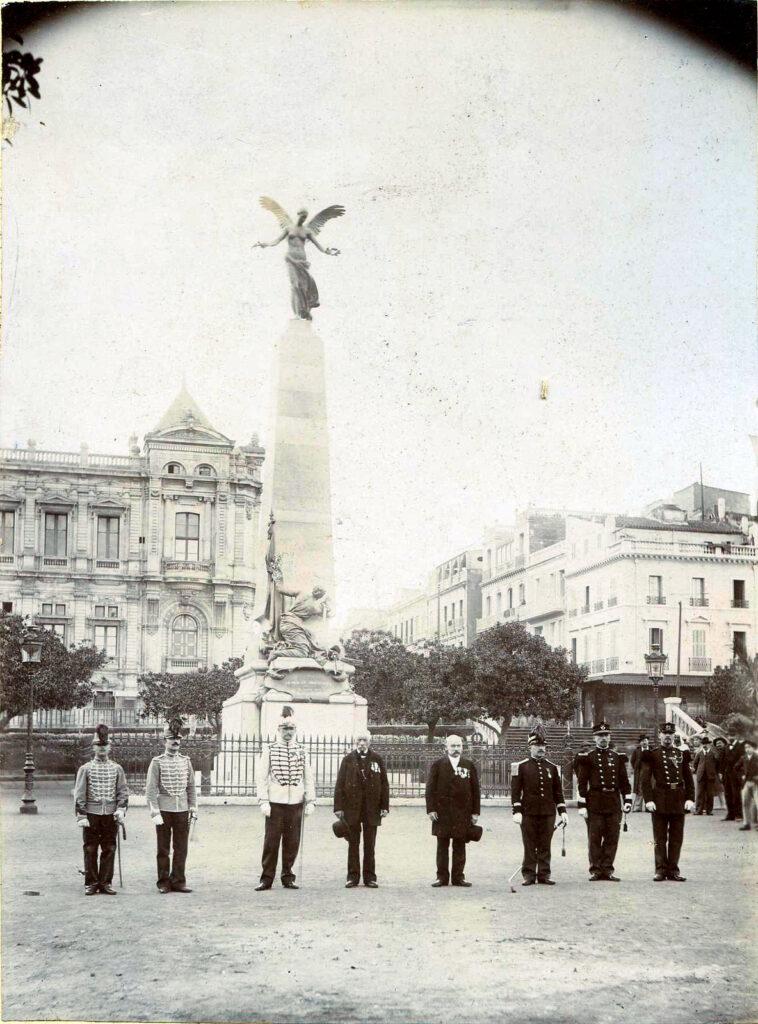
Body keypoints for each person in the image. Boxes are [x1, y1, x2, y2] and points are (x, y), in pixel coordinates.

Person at [255, 707, 315, 890]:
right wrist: (263, 801)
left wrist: (310, 800)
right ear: (279, 730)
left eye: (291, 729)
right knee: (271, 842)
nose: (288, 732)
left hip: (295, 803)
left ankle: (288, 876)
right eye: (285, 729)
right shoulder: (270, 749)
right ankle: (266, 878)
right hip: (275, 803)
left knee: (292, 842)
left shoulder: (302, 750)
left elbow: (308, 777)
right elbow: (262, 777)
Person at [74, 724, 129, 895]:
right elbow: (80, 794)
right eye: (99, 745)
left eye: (105, 745)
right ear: (93, 747)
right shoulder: (85, 769)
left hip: (110, 815)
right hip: (91, 815)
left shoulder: (117, 768)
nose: (102, 748)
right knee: (90, 848)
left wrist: (121, 809)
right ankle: (91, 882)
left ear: (110, 747)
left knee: (109, 848)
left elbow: (122, 791)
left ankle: (105, 882)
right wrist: (81, 815)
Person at [145, 717, 198, 894]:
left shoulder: (186, 761)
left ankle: (178, 881)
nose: (175, 742)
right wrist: (154, 812)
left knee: (181, 847)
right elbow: (151, 789)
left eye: (178, 739)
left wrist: (193, 807)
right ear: (165, 741)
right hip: (164, 810)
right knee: (163, 848)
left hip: (182, 809)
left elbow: (191, 786)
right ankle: (163, 882)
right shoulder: (157, 762)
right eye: (172, 738)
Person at [511, 727, 567, 886]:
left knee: (545, 844)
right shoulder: (521, 766)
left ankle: (544, 874)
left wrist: (562, 811)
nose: (541, 748)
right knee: (529, 844)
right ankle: (529, 875)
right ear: (530, 747)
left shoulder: (552, 767)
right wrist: (517, 811)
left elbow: (558, 792)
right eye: (537, 745)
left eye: (543, 745)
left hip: (548, 813)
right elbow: (515, 792)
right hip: (528, 812)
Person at [333, 730, 390, 888]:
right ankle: (352, 877)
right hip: (352, 808)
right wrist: (338, 807)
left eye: (365, 740)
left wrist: (384, 806)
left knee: (370, 845)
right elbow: (340, 784)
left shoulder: (377, 759)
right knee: (353, 843)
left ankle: (370, 877)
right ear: (355, 742)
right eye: (359, 740)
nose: (362, 743)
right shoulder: (347, 759)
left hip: (372, 808)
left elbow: (384, 783)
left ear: (369, 742)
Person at [576, 722, 632, 881]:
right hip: (595, 801)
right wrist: (582, 805)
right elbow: (582, 783)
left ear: (610, 737)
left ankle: (607, 869)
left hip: (613, 801)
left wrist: (627, 800)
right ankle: (595, 869)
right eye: (600, 735)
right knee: (595, 838)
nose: (603, 738)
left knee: (612, 837)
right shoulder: (588, 758)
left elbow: (624, 782)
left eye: (606, 735)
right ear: (594, 738)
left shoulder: (617, 757)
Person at [641, 722, 695, 881]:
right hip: (660, 798)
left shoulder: (681, 754)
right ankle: (660, 870)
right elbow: (645, 780)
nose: (668, 737)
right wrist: (648, 799)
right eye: (665, 734)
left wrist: (690, 798)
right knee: (659, 838)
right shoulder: (652, 754)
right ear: (660, 735)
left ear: (674, 736)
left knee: (676, 837)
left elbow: (688, 779)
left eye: (670, 734)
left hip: (678, 798)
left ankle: (673, 870)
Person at [425, 734, 481, 887]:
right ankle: (441, 877)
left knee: (460, 844)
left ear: (462, 747)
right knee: (442, 845)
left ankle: (458, 877)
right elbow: (430, 789)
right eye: (453, 746)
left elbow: (475, 790)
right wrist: (431, 809)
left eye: (458, 746)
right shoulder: (438, 765)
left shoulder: (468, 765)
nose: (456, 749)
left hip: (463, 812)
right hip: (442, 812)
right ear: (446, 747)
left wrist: (475, 812)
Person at [722, 730, 746, 822]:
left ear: (736, 736)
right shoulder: (726, 747)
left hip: (736, 774)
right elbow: (723, 760)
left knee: (736, 794)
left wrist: (741, 772)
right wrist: (721, 772)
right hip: (727, 774)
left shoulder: (741, 747)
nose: (730, 737)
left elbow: (743, 760)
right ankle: (730, 814)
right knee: (728, 794)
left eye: (732, 735)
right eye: (729, 736)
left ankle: (738, 814)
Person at [692, 735, 718, 815]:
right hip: (701, 776)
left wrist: (714, 772)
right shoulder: (699, 753)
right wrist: (698, 771)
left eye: (706, 744)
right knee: (700, 793)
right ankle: (698, 810)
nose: (705, 745)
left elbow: (717, 764)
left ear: (709, 744)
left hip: (710, 776)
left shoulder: (713, 753)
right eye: (703, 744)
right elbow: (695, 764)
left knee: (710, 794)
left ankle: (709, 810)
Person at [737, 736, 758, 830]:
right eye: (746, 747)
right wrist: (742, 775)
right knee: (745, 803)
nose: (747, 749)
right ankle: (746, 823)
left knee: (757, 803)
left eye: (749, 747)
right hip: (746, 783)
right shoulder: (743, 758)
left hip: (756, 783)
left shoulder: (757, 757)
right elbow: (736, 767)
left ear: (754, 748)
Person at [630, 735, 650, 811]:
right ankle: (637, 807)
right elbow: (632, 761)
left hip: (650, 773)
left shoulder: (652, 750)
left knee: (649, 789)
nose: (644, 742)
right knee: (639, 789)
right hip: (640, 772)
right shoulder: (637, 751)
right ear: (640, 743)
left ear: (648, 741)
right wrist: (637, 769)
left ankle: (649, 807)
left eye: (645, 740)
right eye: (642, 741)